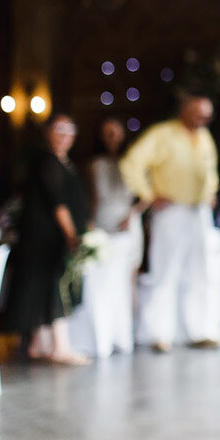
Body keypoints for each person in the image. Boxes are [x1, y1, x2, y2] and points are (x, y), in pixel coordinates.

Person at [120, 94, 220, 352]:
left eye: (207, 114)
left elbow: (210, 171)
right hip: (171, 211)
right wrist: (148, 194)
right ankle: (158, 334)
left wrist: (210, 192)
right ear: (184, 110)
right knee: (164, 272)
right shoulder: (162, 134)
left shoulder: (205, 137)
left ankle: (198, 331)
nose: (203, 119)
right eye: (199, 113)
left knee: (200, 273)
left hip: (198, 212)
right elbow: (131, 163)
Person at [0, 113, 92, 365]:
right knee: (54, 288)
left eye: (70, 130)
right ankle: (59, 346)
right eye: (59, 129)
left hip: (51, 240)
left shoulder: (64, 162)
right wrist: (72, 236)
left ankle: (40, 343)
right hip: (45, 239)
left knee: (48, 287)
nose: (65, 135)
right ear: (47, 131)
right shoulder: (46, 161)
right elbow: (57, 202)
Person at [70, 118, 143, 356]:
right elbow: (94, 198)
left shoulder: (133, 162)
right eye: (107, 133)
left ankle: (127, 333)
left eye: (116, 132)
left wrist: (132, 214)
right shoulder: (94, 164)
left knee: (127, 279)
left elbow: (148, 194)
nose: (112, 137)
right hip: (103, 221)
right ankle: (104, 332)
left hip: (127, 221)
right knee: (102, 280)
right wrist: (90, 224)